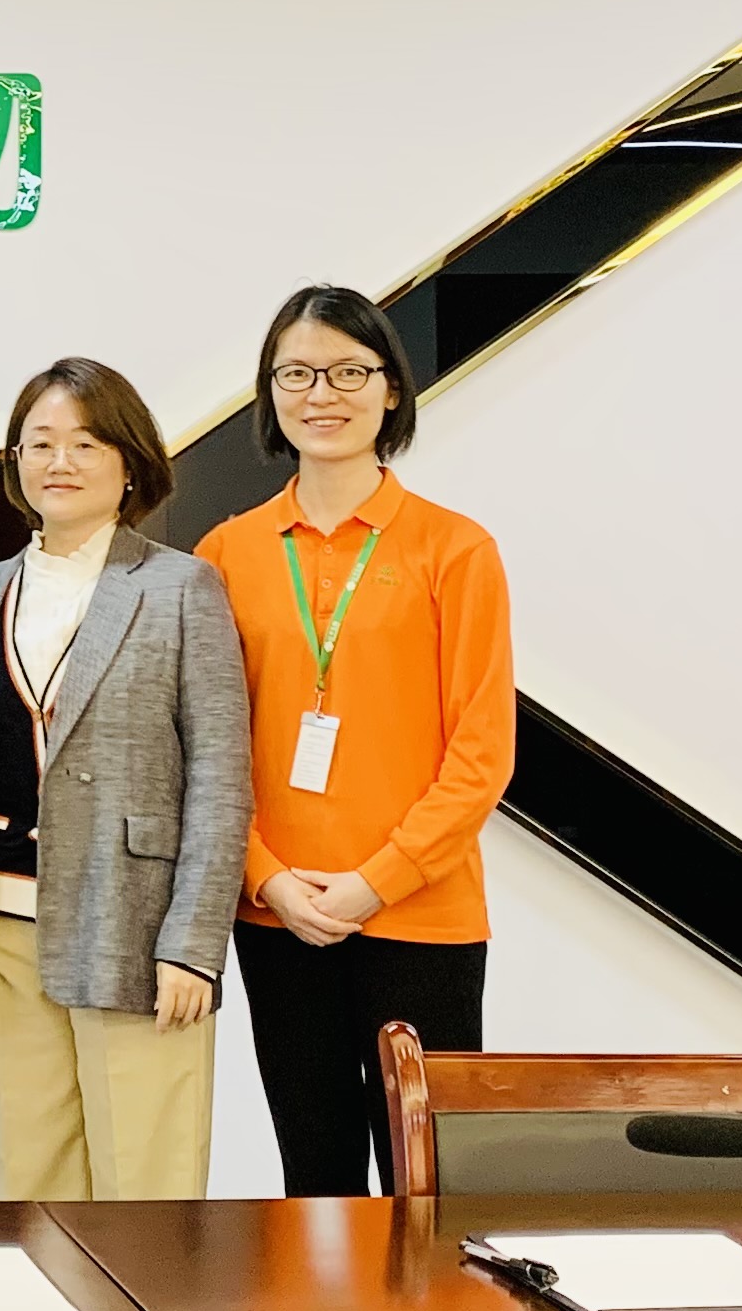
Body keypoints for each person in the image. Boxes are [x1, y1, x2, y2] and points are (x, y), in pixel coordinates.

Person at [0, 359, 253, 1199]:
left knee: (147, 1191)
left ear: (130, 462)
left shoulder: (180, 588)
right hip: (0, 928)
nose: (59, 461)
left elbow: (220, 778)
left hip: (136, 929)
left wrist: (194, 947)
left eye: (86, 443)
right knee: (29, 1187)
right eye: (40, 443)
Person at [196, 286, 515, 1196]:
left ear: (391, 389)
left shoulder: (455, 549)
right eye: (296, 374)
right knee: (318, 1179)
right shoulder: (227, 553)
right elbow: (206, 751)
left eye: (347, 372)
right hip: (280, 915)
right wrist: (267, 878)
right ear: (270, 393)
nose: (321, 395)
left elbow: (482, 753)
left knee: (432, 1183)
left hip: (421, 913)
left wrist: (378, 880)